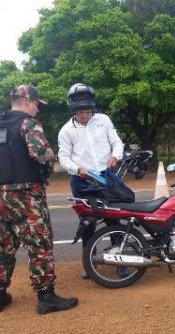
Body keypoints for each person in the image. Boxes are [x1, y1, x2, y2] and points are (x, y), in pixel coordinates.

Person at [0, 85, 78, 314]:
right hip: (26, 195)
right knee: (39, 244)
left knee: (3, 245)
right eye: (36, 104)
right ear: (26, 100)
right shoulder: (28, 124)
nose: (37, 109)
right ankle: (46, 297)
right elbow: (40, 153)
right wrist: (51, 153)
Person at [57, 83, 126, 279]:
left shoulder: (103, 120)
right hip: (82, 181)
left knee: (114, 219)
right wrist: (77, 169)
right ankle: (89, 263)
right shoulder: (66, 131)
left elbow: (116, 142)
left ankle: (120, 259)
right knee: (88, 223)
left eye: (88, 111)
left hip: (106, 178)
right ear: (73, 110)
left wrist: (116, 155)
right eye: (81, 112)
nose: (85, 115)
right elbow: (63, 158)